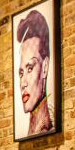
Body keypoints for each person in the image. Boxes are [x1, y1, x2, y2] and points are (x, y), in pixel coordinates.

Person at [15, 8, 56, 137]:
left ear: (45, 67)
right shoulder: (34, 131)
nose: (23, 83)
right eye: (21, 73)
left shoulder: (45, 129)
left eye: (30, 68)